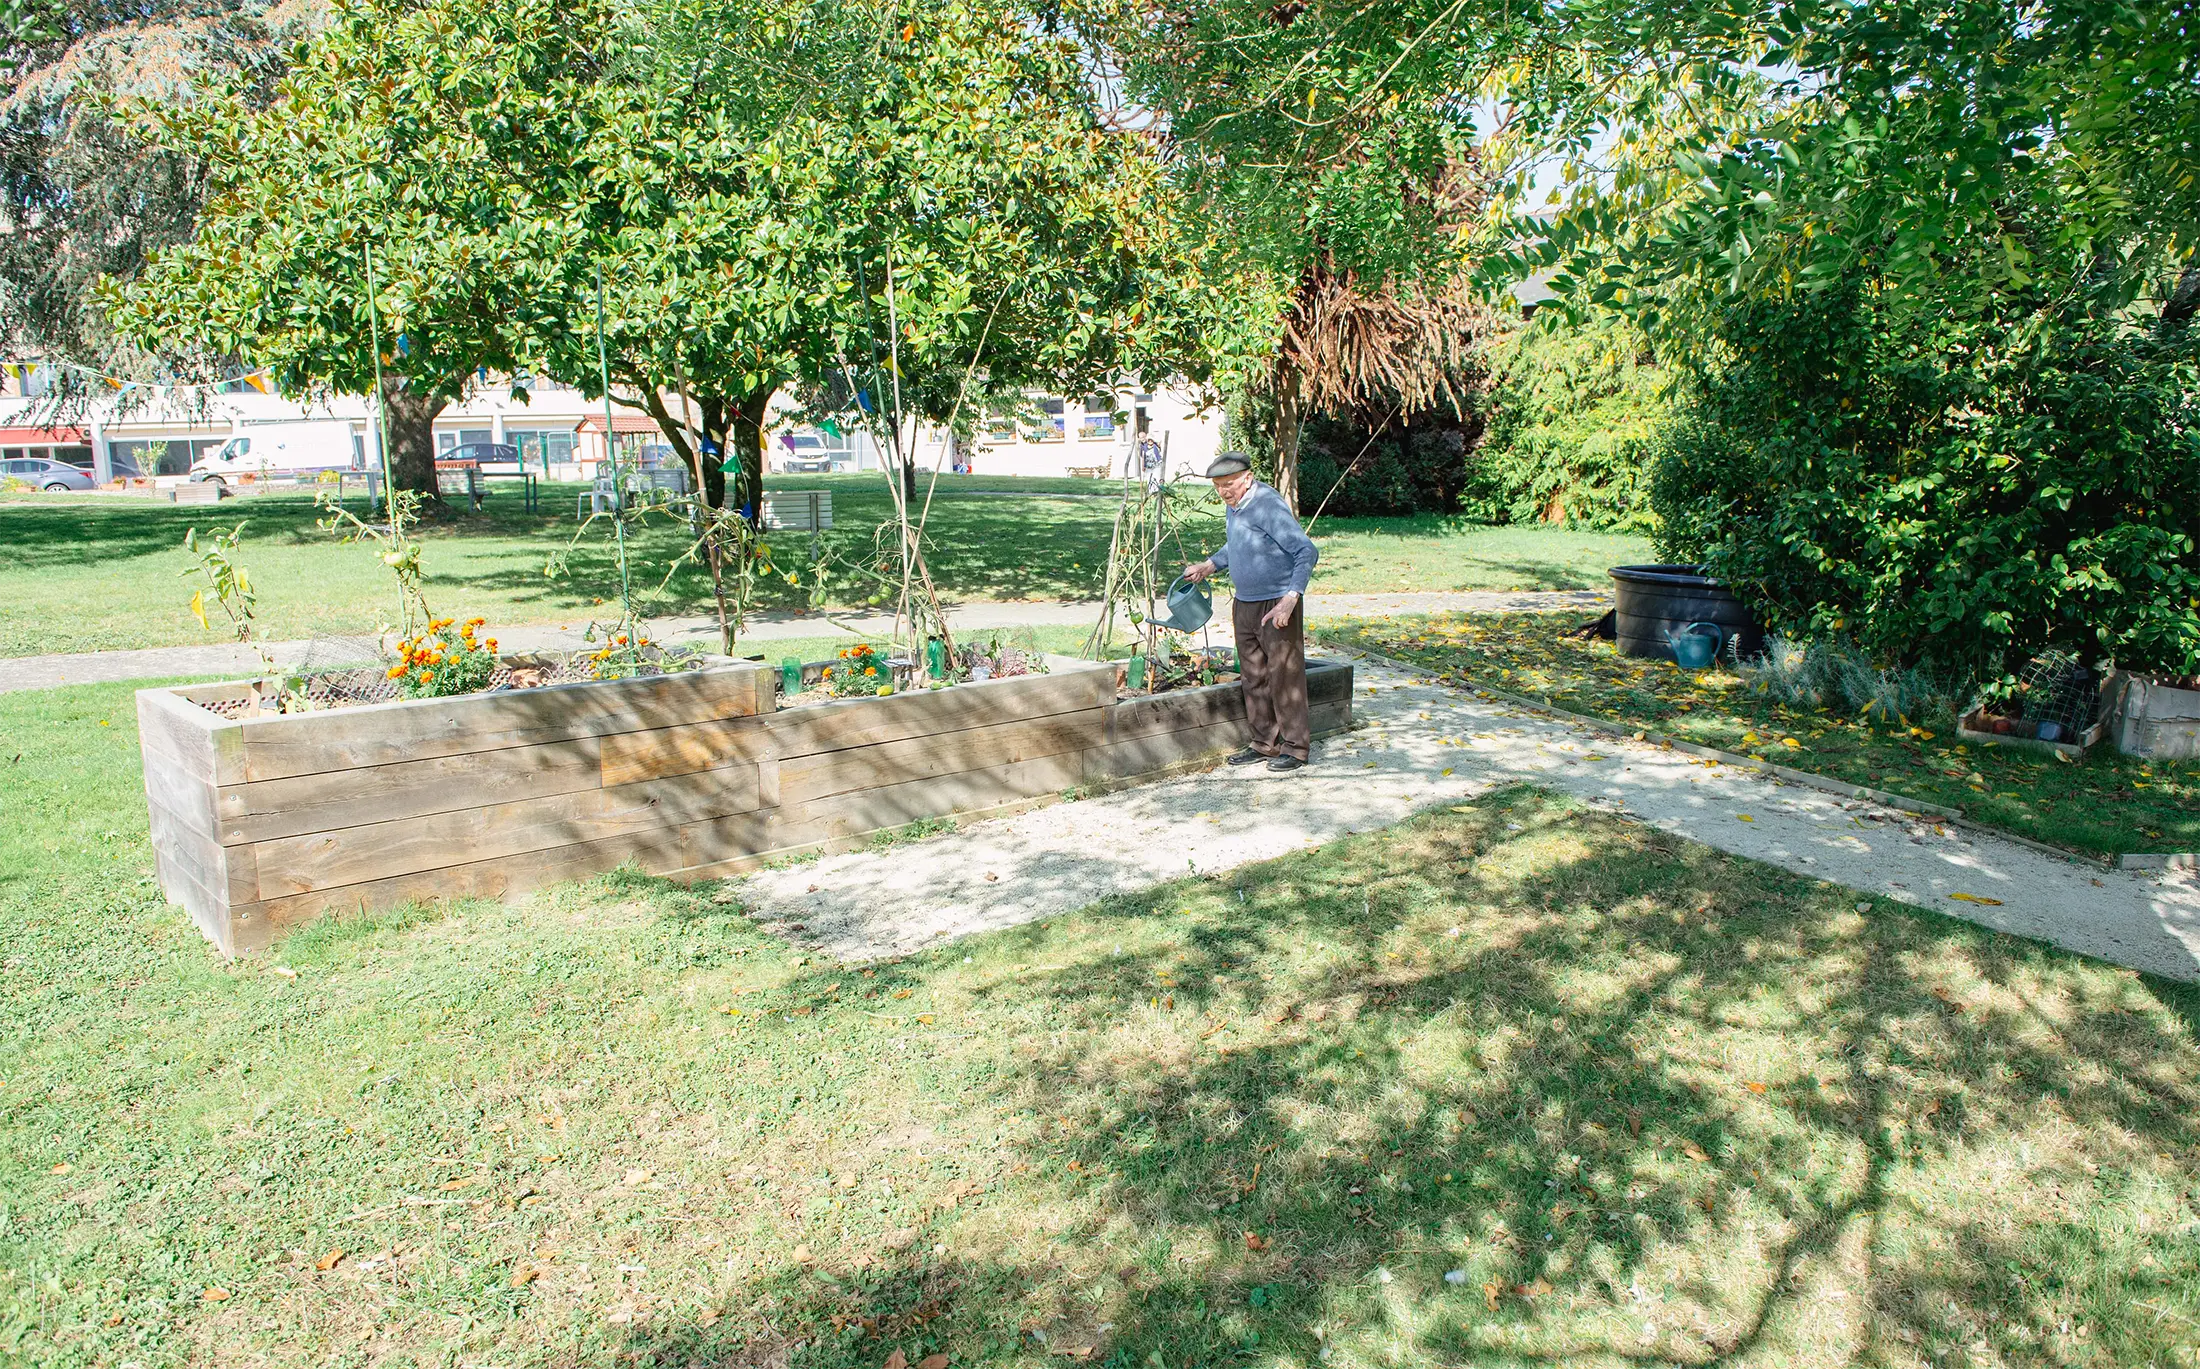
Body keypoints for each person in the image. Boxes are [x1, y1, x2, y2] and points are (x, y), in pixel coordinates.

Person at [1182, 452, 1319, 772]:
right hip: (1245, 602)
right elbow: (1238, 543)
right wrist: (1209, 565)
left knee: (1284, 676)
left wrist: (1291, 598)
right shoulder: (1235, 506)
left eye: (1229, 484)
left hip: (1276, 604)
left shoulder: (1267, 504)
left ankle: (1296, 748)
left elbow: (1306, 550)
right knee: (1253, 676)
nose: (1223, 491)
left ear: (1248, 478)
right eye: (1218, 486)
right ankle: (1263, 743)